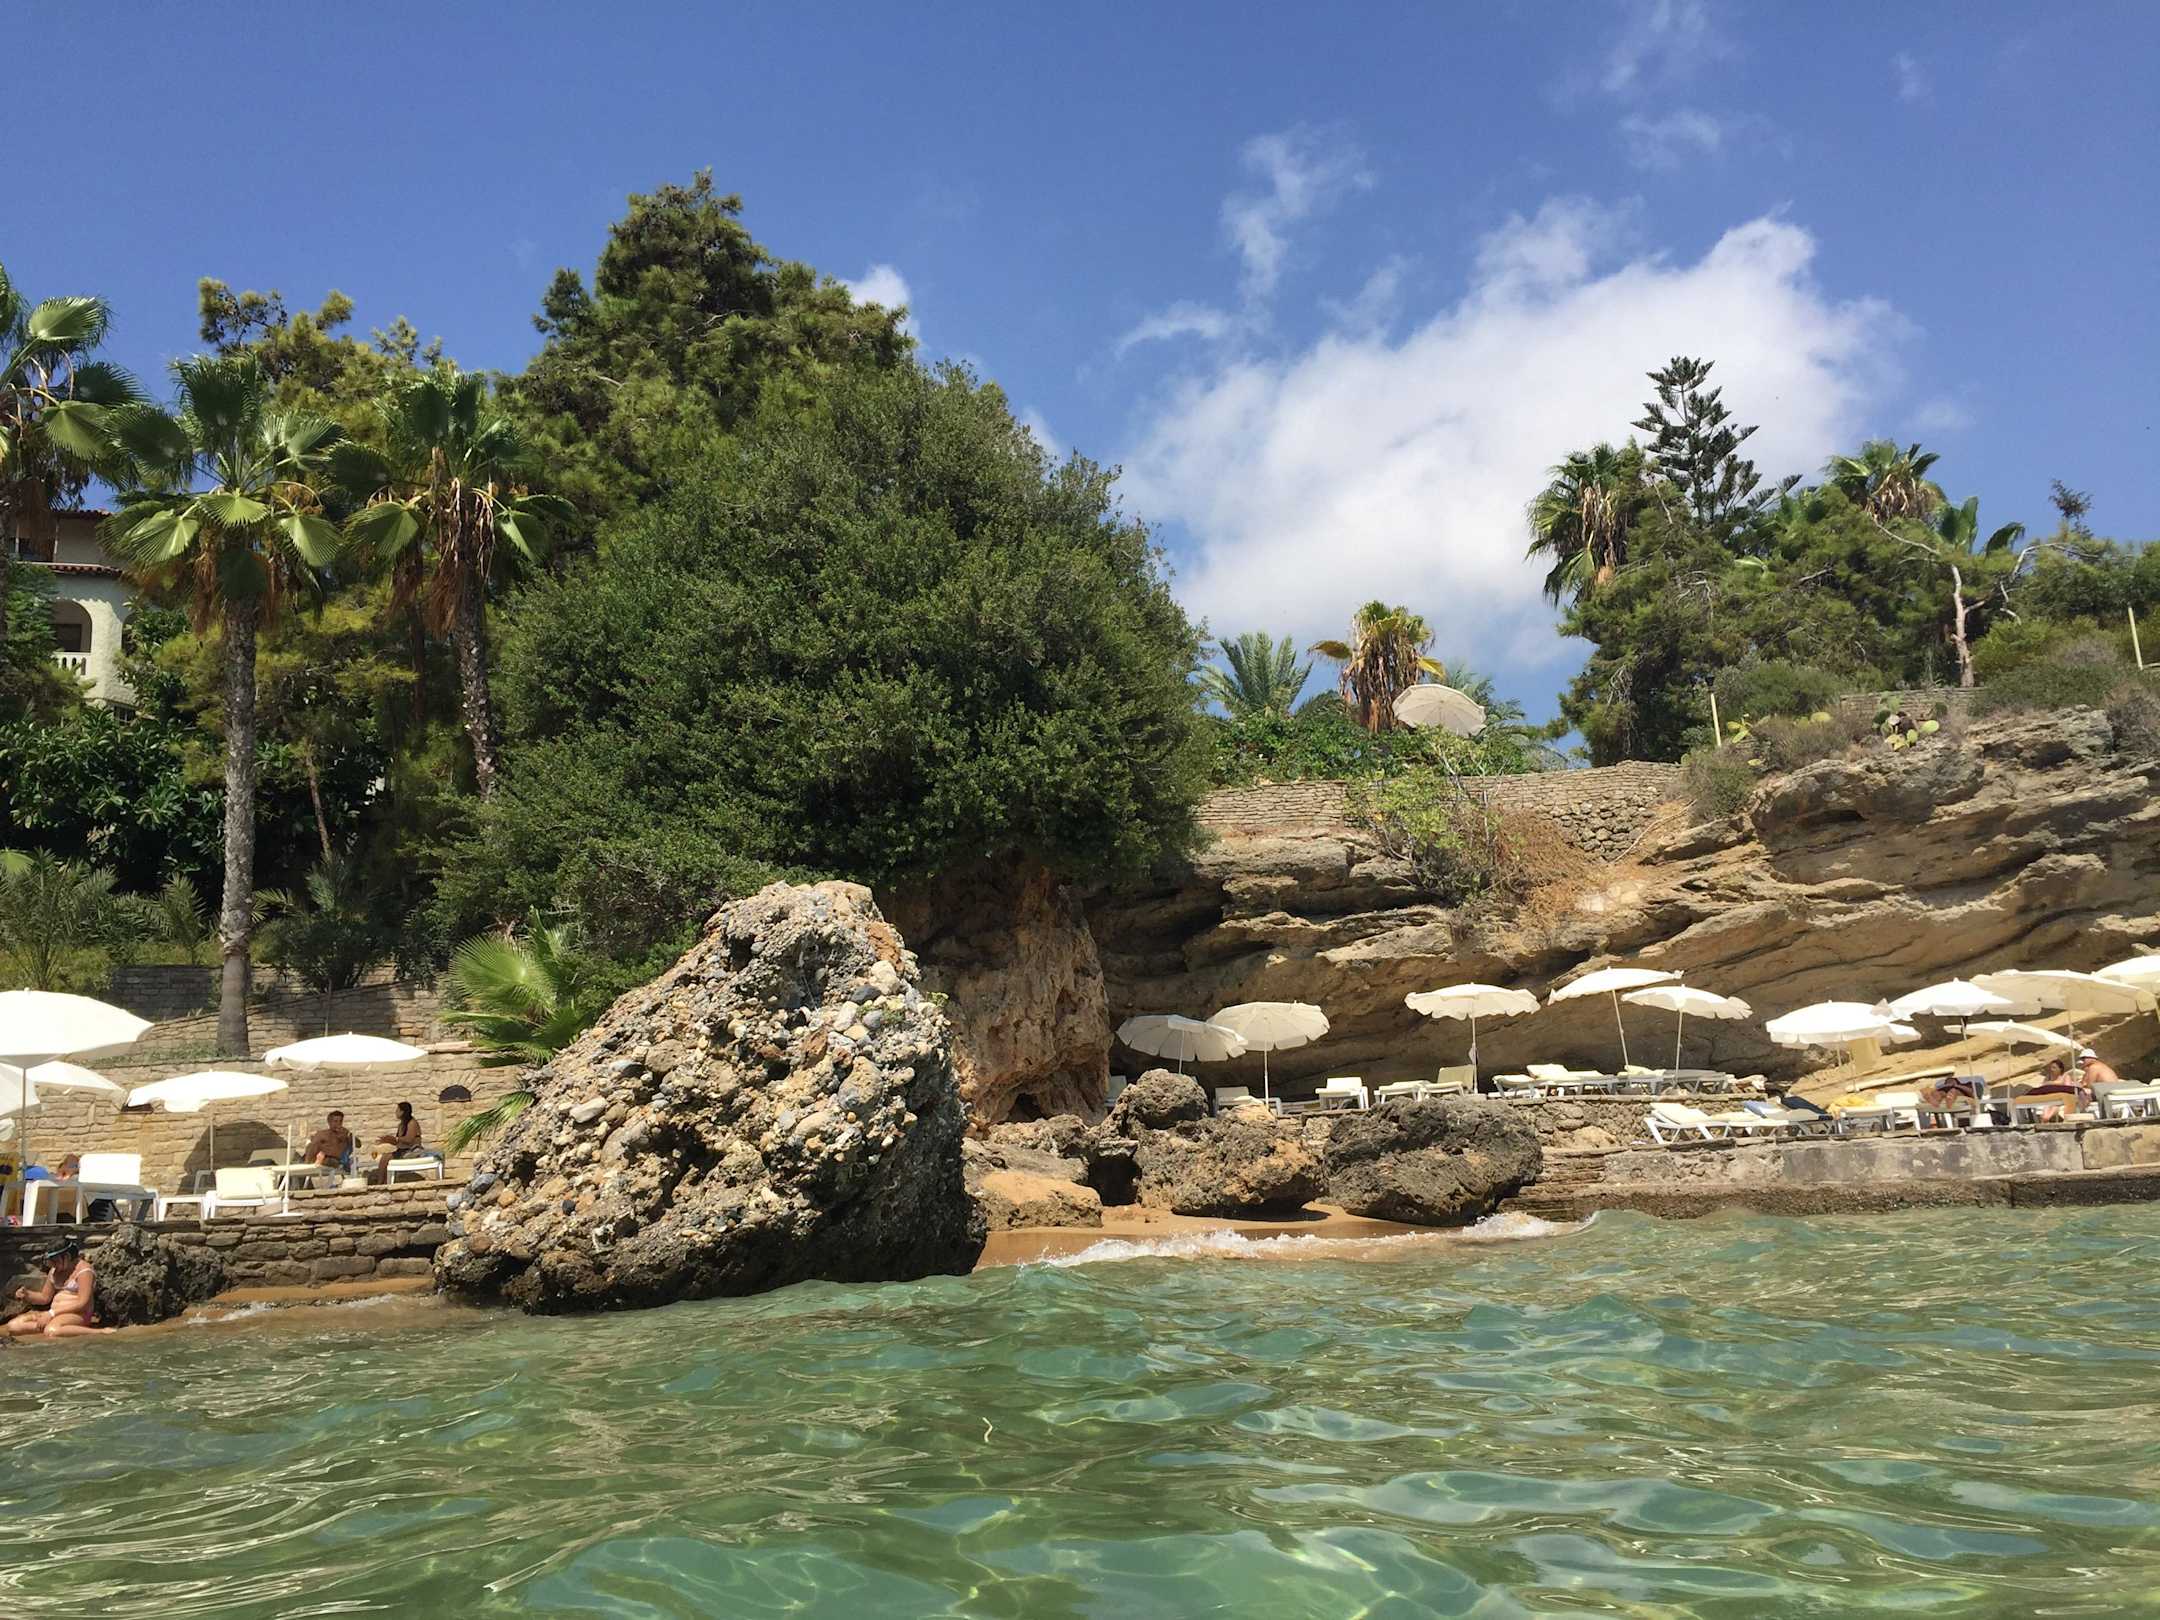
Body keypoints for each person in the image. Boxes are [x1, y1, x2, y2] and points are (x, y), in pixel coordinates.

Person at [7, 1238, 112, 1339]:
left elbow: (82, 1303)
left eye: (55, 1261)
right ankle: (56, 1329)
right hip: (54, 1314)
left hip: (78, 1314)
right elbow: (44, 1297)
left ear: (67, 1257)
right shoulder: (54, 1271)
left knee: (52, 1331)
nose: (53, 1265)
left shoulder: (84, 1271)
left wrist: (51, 1313)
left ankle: (98, 1332)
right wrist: (27, 1295)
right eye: (51, 1261)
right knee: (13, 1326)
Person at [370, 1101, 422, 1182]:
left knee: (386, 1158)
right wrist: (386, 1140)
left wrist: (397, 1139)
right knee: (384, 1158)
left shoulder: (412, 1123)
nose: (396, 1112)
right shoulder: (401, 1125)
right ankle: (383, 1182)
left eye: (397, 1110)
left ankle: (381, 1182)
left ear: (402, 1112)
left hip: (412, 1151)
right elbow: (398, 1142)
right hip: (402, 1150)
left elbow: (409, 1139)